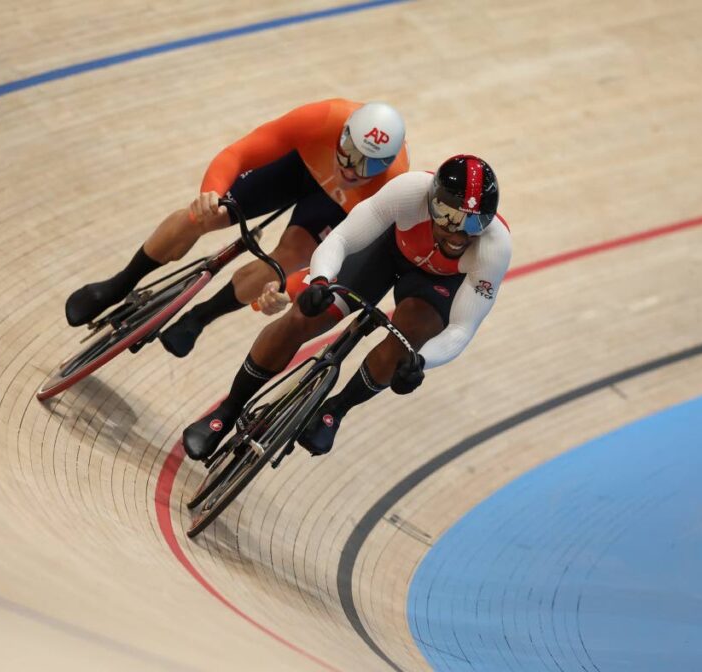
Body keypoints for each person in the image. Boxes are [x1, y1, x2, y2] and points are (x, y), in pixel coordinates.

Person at [182, 155, 512, 461]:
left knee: (408, 344)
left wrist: (421, 362)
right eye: (449, 218)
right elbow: (341, 239)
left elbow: (462, 328)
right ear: (431, 202)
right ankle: (227, 410)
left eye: (474, 224)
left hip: (434, 285)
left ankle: (335, 410)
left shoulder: (494, 248)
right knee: (301, 319)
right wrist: (320, 281)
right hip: (385, 253)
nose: (459, 234)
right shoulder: (409, 192)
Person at [63, 99, 409, 359]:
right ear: (342, 134)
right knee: (204, 216)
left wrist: (287, 289)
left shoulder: (389, 189)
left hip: (335, 207)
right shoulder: (323, 117)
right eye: (348, 153)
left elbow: (341, 255)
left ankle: (199, 318)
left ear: (388, 164)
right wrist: (210, 192)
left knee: (289, 258)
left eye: (368, 165)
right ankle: (119, 284)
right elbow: (238, 153)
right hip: (296, 167)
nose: (351, 170)